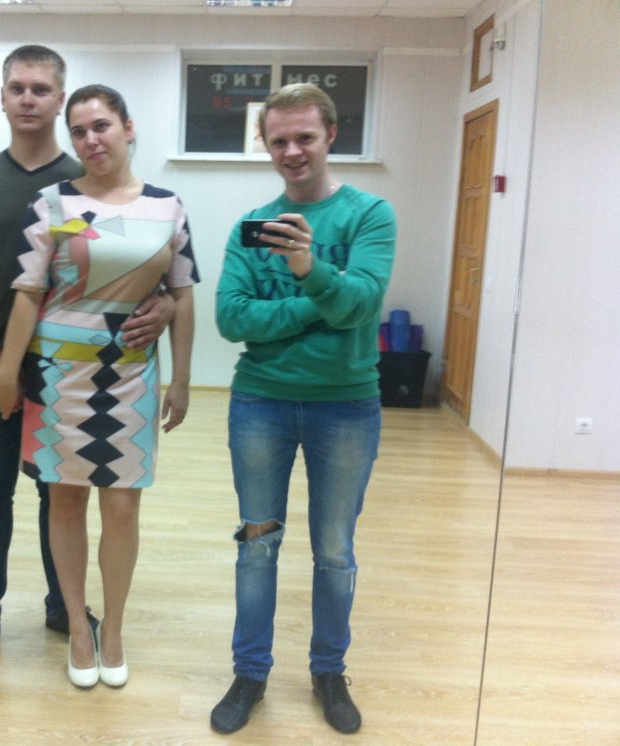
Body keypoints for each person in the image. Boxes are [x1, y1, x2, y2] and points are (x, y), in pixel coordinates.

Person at [0, 47, 173, 670]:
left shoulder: (89, 180)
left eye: (41, 89)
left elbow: (145, 267)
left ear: (60, 100)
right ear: (2, 98)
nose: (28, 99)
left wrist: (169, 306)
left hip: (70, 374)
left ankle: (65, 609)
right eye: (18, 87)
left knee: (60, 494)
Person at [0, 84, 199, 689]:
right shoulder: (52, 202)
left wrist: (182, 379)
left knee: (123, 507)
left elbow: (183, 294)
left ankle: (114, 628)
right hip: (58, 379)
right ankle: (79, 628)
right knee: (64, 501)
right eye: (79, 131)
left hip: (132, 376)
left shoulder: (167, 206)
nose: (90, 139)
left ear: (128, 128)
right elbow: (27, 293)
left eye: (101, 125)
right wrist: (6, 373)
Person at [209, 83, 396, 735]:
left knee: (335, 551)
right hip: (259, 404)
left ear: (330, 136)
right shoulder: (251, 226)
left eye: (305, 137)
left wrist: (307, 268)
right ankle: (250, 673)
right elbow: (232, 319)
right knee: (257, 545)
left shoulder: (370, 215)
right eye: (279, 140)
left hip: (345, 409)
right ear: (265, 144)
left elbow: (362, 305)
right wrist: (317, 301)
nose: (292, 151)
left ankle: (328, 672)